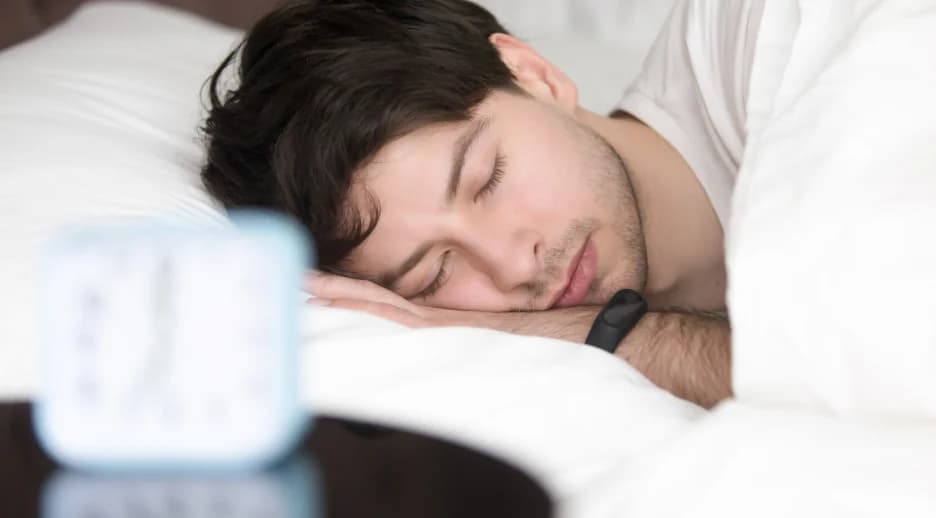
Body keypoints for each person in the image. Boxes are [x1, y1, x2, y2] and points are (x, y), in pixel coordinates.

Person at [201, 0, 765, 408]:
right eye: (435, 273)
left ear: (534, 74)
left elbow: (843, 375)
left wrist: (616, 335)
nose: (514, 264)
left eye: (487, 179)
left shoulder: (771, 36)